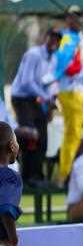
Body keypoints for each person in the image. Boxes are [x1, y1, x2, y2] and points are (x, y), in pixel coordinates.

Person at [10, 30, 60, 184]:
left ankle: (37, 175)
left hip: (36, 99)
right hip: (22, 98)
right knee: (30, 135)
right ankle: (27, 175)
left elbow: (48, 83)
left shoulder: (53, 59)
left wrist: (51, 102)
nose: (54, 41)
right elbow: (27, 82)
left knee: (43, 137)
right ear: (46, 38)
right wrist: (46, 98)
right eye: (52, 38)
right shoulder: (34, 54)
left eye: (57, 39)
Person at [54, 6, 83, 181]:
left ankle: (69, 172)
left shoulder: (80, 37)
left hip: (79, 90)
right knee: (73, 134)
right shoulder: (66, 37)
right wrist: (75, 67)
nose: (77, 20)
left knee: (76, 133)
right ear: (67, 19)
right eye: (73, 16)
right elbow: (65, 66)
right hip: (70, 90)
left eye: (79, 16)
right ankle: (66, 174)